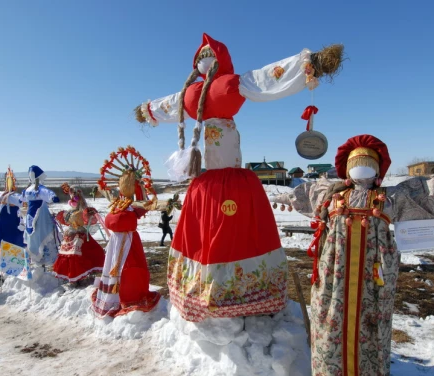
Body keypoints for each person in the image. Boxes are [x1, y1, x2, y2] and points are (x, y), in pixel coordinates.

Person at [272, 135, 434, 376]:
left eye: (368, 164)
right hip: (334, 281)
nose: (361, 170)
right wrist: (276, 195)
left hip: (374, 281)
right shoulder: (330, 195)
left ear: (378, 170)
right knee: (330, 331)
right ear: (347, 168)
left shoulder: (392, 198)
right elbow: (300, 195)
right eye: (356, 164)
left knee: (372, 332)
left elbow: (430, 195)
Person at [135, 33, 344, 322]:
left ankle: (247, 291)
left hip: (229, 175)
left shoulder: (232, 84)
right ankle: (207, 289)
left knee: (237, 226)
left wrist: (309, 63)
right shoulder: (190, 93)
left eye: (209, 55)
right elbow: (168, 104)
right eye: (199, 57)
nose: (204, 60)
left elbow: (267, 77)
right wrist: (146, 111)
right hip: (209, 178)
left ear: (221, 60)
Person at [92, 164, 160, 317]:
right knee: (115, 266)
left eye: (130, 183)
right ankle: (115, 294)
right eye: (124, 183)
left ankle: (130, 295)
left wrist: (144, 190)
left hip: (129, 242)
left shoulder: (134, 206)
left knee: (129, 268)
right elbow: (106, 193)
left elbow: (149, 204)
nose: (125, 186)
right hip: (116, 243)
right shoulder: (117, 203)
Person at [54, 185, 106, 283]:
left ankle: (81, 275)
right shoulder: (70, 210)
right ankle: (73, 275)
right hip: (71, 234)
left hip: (80, 234)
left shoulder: (84, 210)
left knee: (80, 254)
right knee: (71, 255)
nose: (73, 197)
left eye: (75, 195)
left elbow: (88, 222)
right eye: (72, 195)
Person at [21, 165, 61, 266]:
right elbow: (48, 193)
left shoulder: (28, 189)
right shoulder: (38, 188)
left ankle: (35, 258)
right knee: (42, 232)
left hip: (30, 215)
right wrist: (53, 198)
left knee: (33, 235)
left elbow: (22, 199)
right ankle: (44, 260)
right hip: (40, 215)